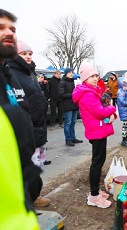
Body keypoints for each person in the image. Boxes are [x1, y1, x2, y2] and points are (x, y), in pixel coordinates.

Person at [0, 9, 41, 229]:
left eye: (12, 29)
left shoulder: (9, 74)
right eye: (1, 28)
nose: (8, 32)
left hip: (20, 210)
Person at [73, 62, 117, 209]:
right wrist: (112, 108)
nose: (94, 78)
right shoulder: (87, 94)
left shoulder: (91, 91)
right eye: (91, 76)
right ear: (84, 78)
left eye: (96, 75)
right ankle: (94, 196)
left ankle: (96, 191)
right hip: (96, 131)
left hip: (97, 130)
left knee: (99, 160)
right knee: (97, 162)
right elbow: (99, 112)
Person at [58, 67, 83, 146]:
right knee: (68, 123)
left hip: (74, 105)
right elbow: (61, 95)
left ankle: (73, 137)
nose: (71, 73)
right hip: (67, 105)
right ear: (66, 73)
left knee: (73, 122)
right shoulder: (62, 83)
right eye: (69, 72)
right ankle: (68, 139)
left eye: (72, 72)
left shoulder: (73, 82)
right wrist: (73, 95)